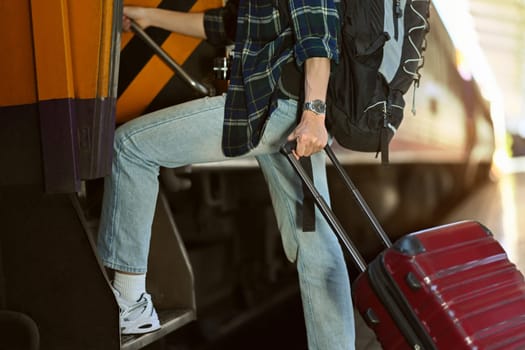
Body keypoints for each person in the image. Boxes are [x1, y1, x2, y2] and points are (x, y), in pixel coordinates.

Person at [97, 0, 356, 348]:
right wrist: (149, 16)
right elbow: (229, 26)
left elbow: (318, 31)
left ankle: (129, 305)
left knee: (129, 148)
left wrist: (314, 114)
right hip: (283, 111)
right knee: (317, 246)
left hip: (273, 108)